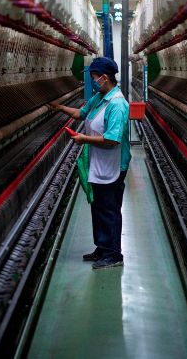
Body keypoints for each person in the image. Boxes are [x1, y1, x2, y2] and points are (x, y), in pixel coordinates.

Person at [49, 57, 131, 269]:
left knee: (109, 209)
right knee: (98, 207)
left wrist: (84, 139)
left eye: (94, 78)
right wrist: (60, 107)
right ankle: (102, 248)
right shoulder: (100, 97)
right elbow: (81, 113)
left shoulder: (117, 105)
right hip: (99, 162)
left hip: (113, 165)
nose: (93, 81)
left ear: (104, 77)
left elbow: (112, 140)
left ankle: (113, 254)